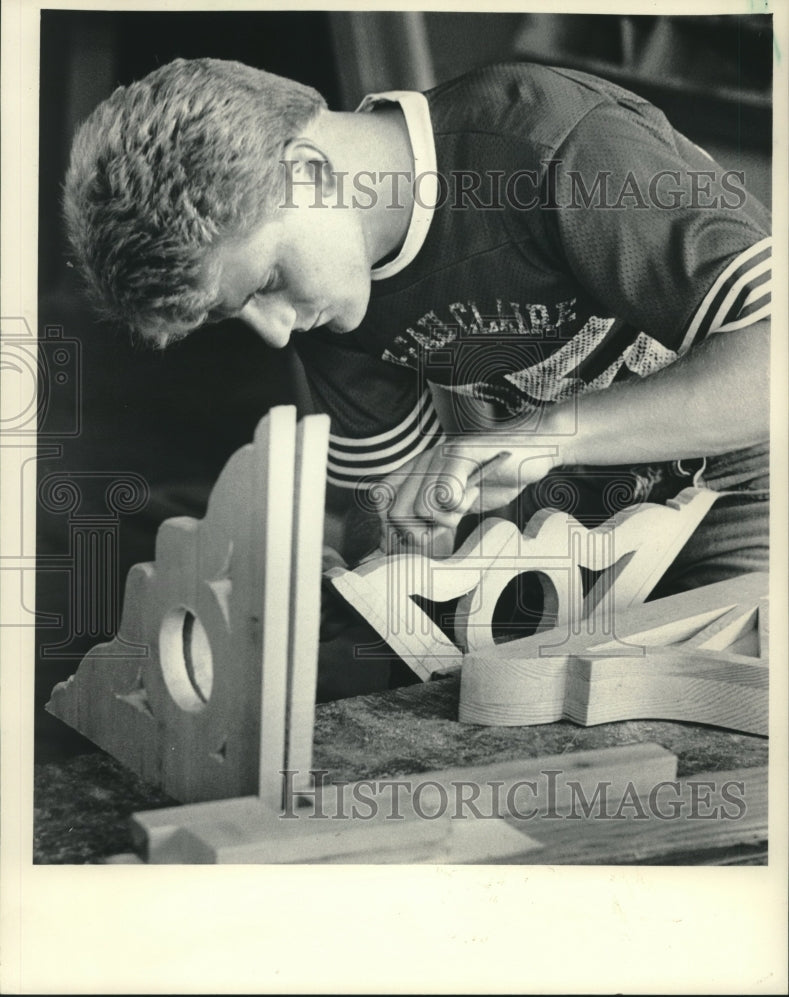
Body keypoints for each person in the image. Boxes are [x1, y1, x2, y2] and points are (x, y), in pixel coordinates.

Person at [64, 57, 770, 655]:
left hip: (753, 472)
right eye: (235, 314)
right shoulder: (333, 299)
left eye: (267, 284)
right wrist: (378, 570)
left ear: (306, 173)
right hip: (594, 515)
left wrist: (547, 437)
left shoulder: (550, 142)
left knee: (701, 685)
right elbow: (388, 504)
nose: (276, 331)